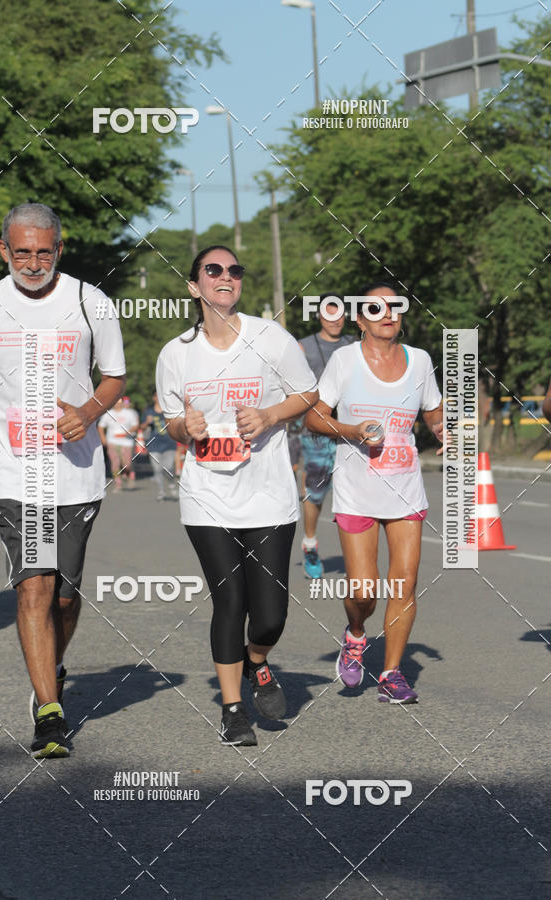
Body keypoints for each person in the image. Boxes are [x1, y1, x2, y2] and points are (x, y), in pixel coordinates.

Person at [0, 202, 126, 756]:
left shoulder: (88, 301)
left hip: (74, 472)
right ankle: (48, 712)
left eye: (43, 252)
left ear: (59, 249)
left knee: (66, 599)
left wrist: (89, 412)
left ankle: (51, 666)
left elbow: (115, 376)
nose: (32, 262)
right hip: (9, 471)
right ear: (4, 250)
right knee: (34, 584)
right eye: (21, 251)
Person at [156, 245, 318, 746]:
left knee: (269, 615)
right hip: (207, 496)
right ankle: (232, 710)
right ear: (194, 286)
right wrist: (187, 425)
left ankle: (257, 660)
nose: (225, 277)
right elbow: (172, 423)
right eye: (213, 270)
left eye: (234, 270)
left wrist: (270, 416)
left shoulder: (270, 336)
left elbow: (308, 392)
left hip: (269, 494)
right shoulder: (176, 353)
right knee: (229, 601)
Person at [306, 283, 443, 704]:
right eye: (375, 309)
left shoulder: (419, 361)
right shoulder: (345, 361)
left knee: (404, 583)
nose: (388, 313)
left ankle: (391, 672)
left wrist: (443, 429)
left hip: (405, 489)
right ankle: (356, 634)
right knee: (363, 591)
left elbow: (432, 409)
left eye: (394, 307)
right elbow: (314, 417)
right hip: (357, 490)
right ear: (360, 320)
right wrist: (351, 431)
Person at [299, 296, 355, 578]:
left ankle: (358, 552)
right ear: (319, 317)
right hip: (316, 431)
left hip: (352, 429)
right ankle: (310, 543)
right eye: (328, 315)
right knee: (317, 493)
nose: (335, 320)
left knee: (355, 490)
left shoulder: (354, 346)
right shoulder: (303, 347)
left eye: (339, 315)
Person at [142, 390, 177, 500]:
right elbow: (142, 427)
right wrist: (147, 422)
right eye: (157, 396)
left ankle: (171, 484)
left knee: (168, 467)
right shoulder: (149, 412)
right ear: (154, 398)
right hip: (154, 444)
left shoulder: (168, 411)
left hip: (169, 443)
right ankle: (161, 491)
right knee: (157, 469)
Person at [98, 396, 138, 490]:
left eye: (119, 402)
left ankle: (129, 473)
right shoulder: (108, 414)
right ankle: (118, 483)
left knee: (127, 464)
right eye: (115, 402)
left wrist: (127, 432)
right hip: (112, 441)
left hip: (126, 442)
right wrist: (103, 438)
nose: (117, 404)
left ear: (123, 403)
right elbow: (100, 426)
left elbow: (135, 425)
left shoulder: (129, 413)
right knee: (115, 463)